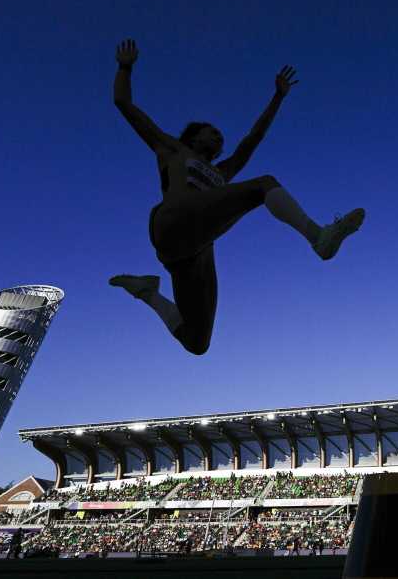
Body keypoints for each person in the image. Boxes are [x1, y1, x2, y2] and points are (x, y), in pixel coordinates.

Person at [108, 39, 365, 354]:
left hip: (193, 252)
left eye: (221, 138)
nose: (218, 138)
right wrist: (125, 67)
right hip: (173, 222)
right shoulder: (172, 148)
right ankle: (317, 236)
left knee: (197, 341)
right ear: (193, 135)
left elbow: (252, 140)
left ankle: (147, 292)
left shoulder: (223, 173)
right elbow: (125, 104)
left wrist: (277, 97)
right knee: (263, 184)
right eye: (212, 132)